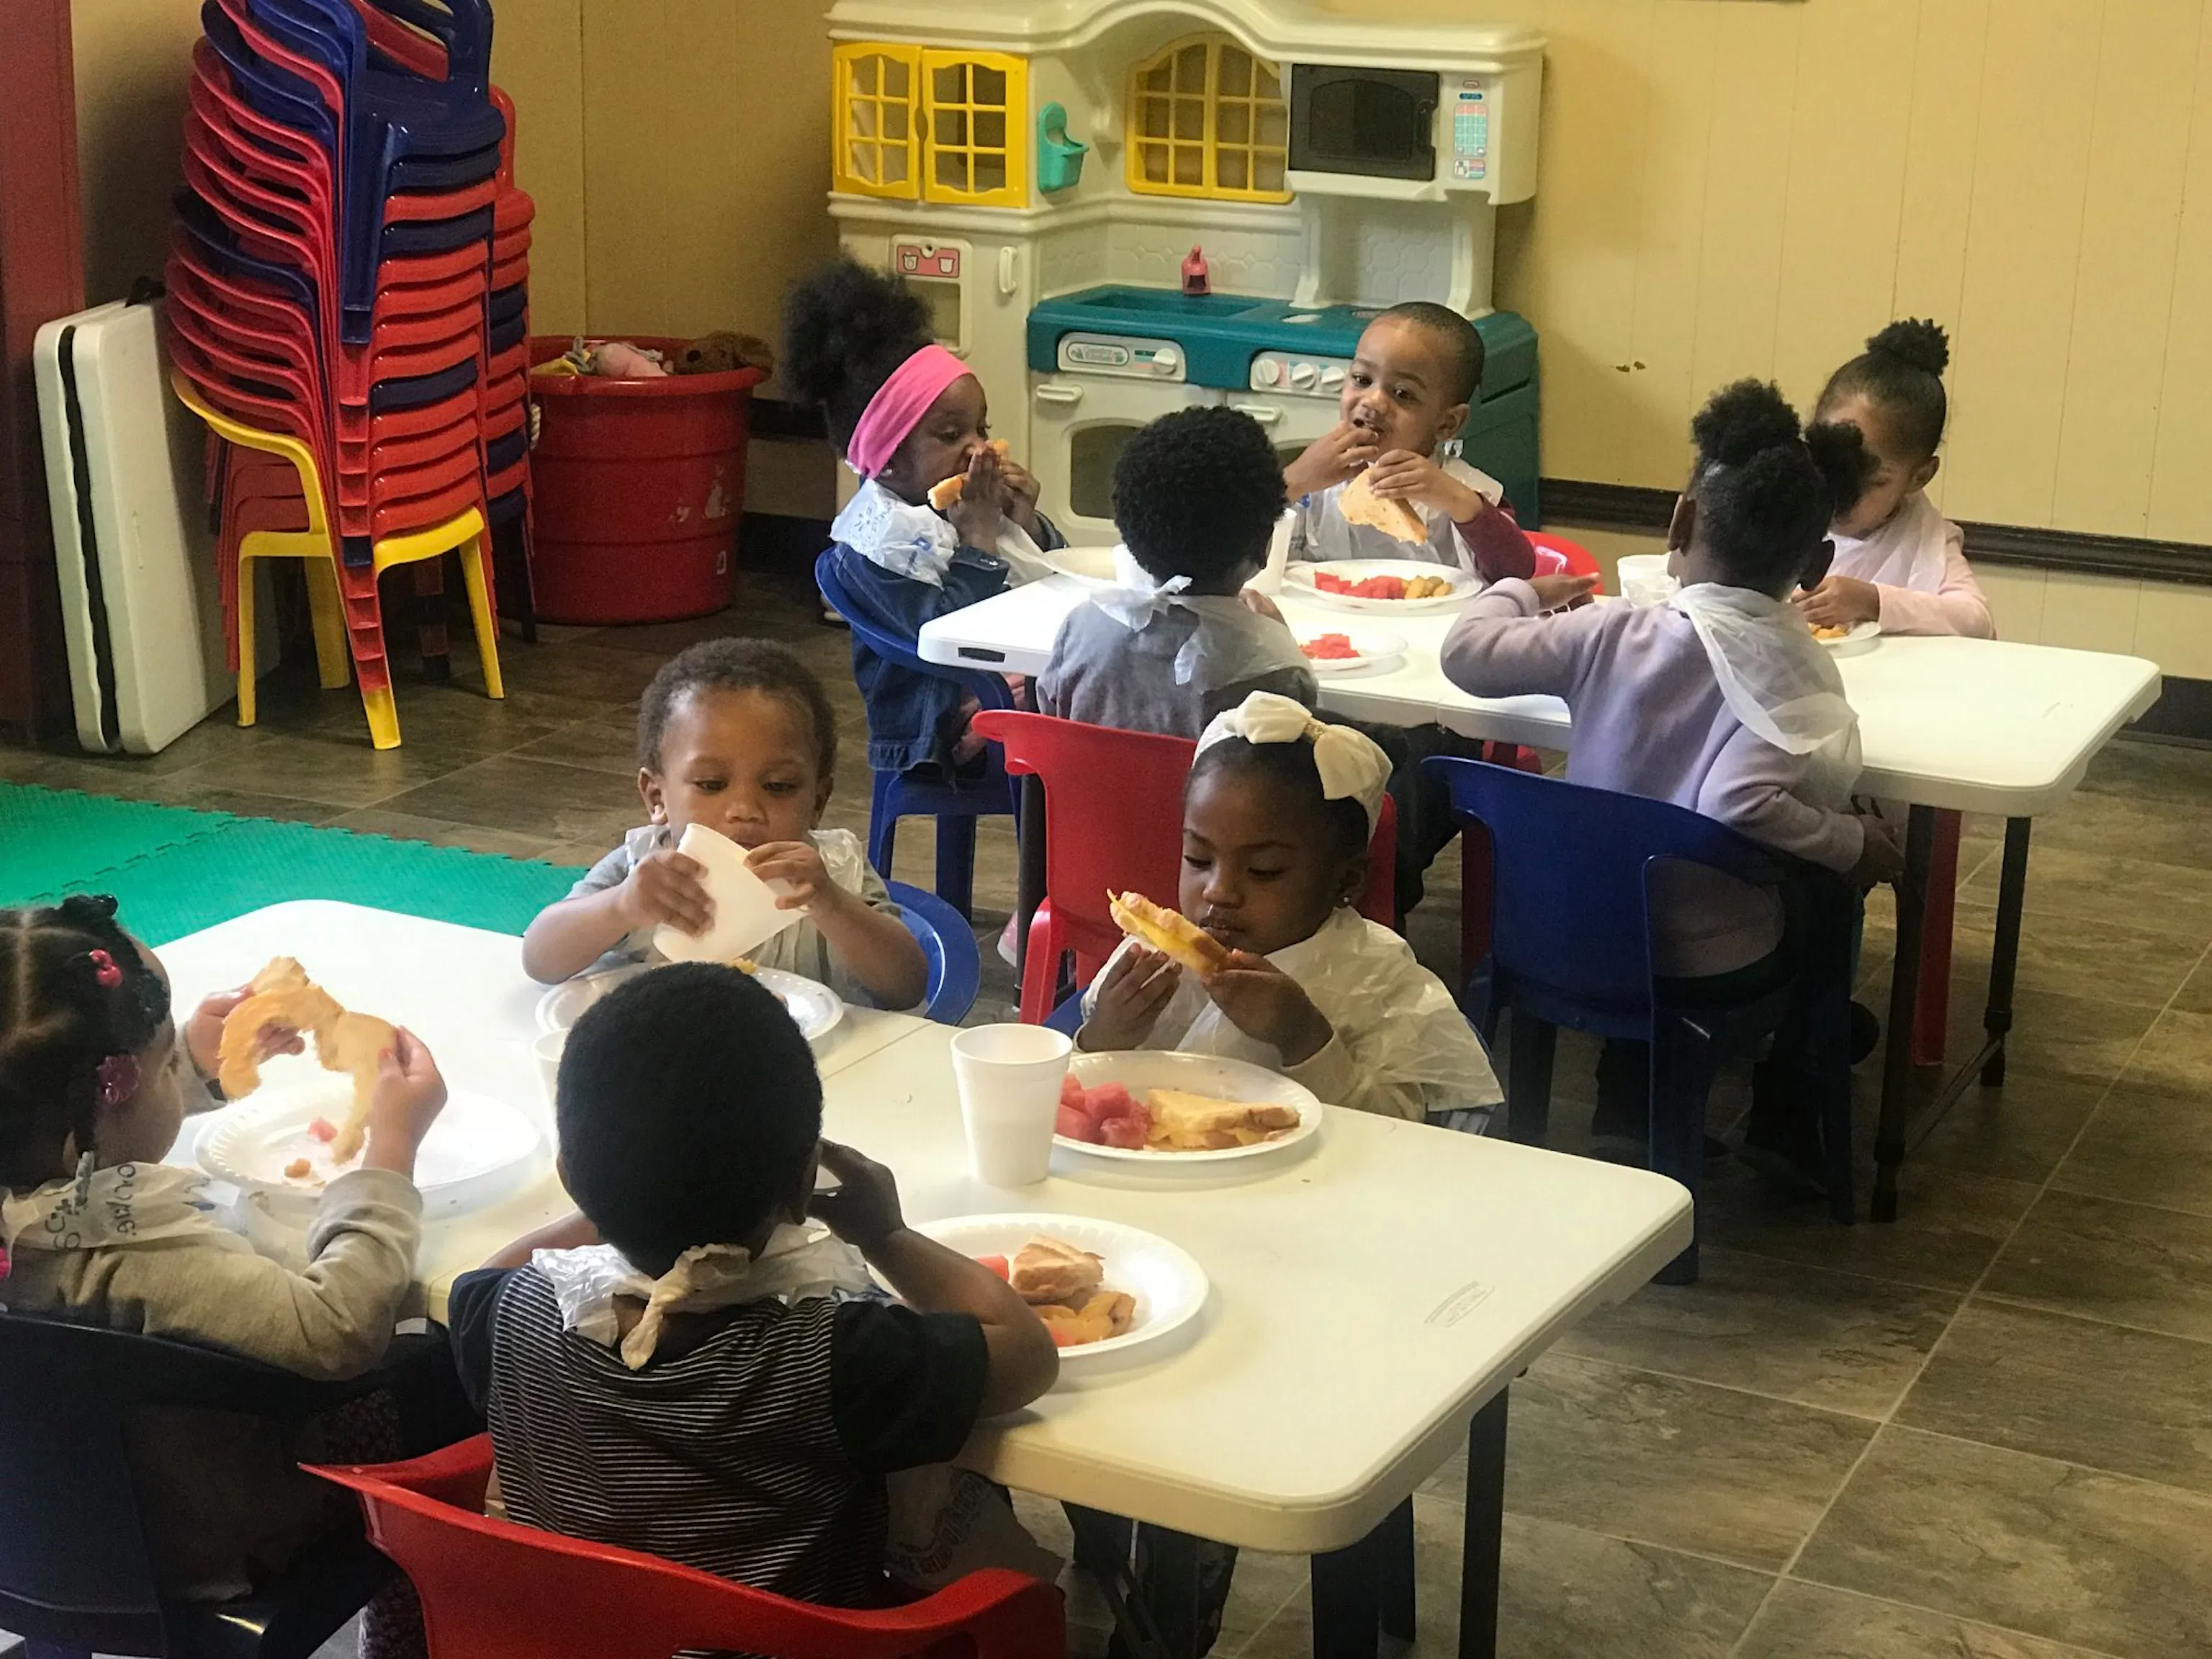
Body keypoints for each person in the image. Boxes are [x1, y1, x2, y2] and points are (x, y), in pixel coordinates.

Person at [447, 964, 1060, 1606]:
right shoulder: (834, 1359)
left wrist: (608, 1195)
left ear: (570, 1179)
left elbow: (485, 1276)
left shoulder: (505, 1316)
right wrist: (887, 1235)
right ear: (803, 1185)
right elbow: (1028, 1352)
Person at [1439, 380, 1905, 1182]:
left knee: (1655, 855)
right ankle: (1790, 1109)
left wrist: (1522, 589)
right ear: (1816, 563)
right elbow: (1740, 801)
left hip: (1565, 931)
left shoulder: (1607, 631)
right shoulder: (1790, 669)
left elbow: (1465, 654)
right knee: (1828, 889)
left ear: (1680, 523)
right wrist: (1855, 842)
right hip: (1697, 953)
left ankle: (1627, 1103)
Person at [0, 895, 469, 1653]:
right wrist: (390, 1151)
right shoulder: (139, 1253)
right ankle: (409, 1635)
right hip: (200, 1537)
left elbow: (89, 1138)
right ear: (112, 1090)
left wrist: (187, 1069)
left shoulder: (30, 1203)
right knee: (452, 1364)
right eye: (167, 1065)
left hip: (34, 1531)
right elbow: (336, 1328)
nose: (179, 1070)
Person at [1078, 691, 1501, 1130]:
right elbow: (1079, 1099)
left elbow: (1398, 1134)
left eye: (1264, 870)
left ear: (1346, 883)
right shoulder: (1154, 961)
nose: (1218, 891)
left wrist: (1304, 1039)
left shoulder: (1378, 981)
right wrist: (1103, 1036)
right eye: (1198, 859)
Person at [521, 638, 927, 1010]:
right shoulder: (646, 870)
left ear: (818, 801)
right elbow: (540, 960)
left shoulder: (834, 872)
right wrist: (621, 906)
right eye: (712, 785)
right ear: (657, 798)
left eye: (779, 786)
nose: (745, 809)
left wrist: (833, 905)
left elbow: (906, 986)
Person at [783, 258, 1066, 776]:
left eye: (982, 429)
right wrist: (978, 540)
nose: (978, 448)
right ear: (889, 460)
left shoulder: (965, 506)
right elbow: (949, 637)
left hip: (1004, 685)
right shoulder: (877, 549)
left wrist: (1027, 527)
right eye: (951, 435)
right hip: (938, 728)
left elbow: (1048, 589)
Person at [1038, 405, 1316, 738]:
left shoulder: (1081, 628)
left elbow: (1051, 721)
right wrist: (1279, 635)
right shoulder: (1278, 668)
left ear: (1130, 534)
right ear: (1265, 539)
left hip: (1088, 776)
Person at [1280, 301, 1537, 580]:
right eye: (1362, 379)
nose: (1373, 401)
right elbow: (1246, 553)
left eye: (1403, 394)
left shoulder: (1462, 490)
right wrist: (1292, 482)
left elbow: (1517, 571)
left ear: (1447, 423)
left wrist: (1458, 501)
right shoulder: (1314, 474)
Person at [1796, 320, 1992, 639]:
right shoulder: (1782, 508)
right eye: (1830, 464)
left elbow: (1978, 622)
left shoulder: (1924, 538)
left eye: (1873, 482)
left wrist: (1872, 601)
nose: (1845, 494)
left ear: (1919, 477)